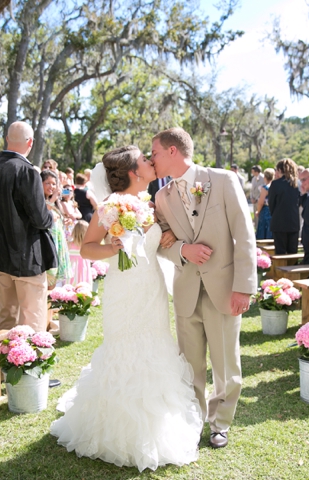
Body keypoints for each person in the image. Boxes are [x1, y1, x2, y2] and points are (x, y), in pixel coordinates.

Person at [50, 145, 202, 471]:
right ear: (134, 171)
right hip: (123, 291)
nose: (151, 161)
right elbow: (87, 249)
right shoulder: (111, 205)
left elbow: (158, 243)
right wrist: (111, 247)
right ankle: (116, 431)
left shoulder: (150, 204)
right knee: (124, 350)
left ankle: (158, 425)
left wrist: (171, 234)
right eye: (146, 160)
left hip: (152, 290)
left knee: (156, 347)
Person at [151, 127, 257, 449]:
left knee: (226, 367)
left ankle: (220, 423)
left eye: (154, 153)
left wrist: (244, 287)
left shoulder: (223, 180)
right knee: (190, 366)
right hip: (185, 292)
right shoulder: (161, 198)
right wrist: (183, 251)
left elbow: (244, 234)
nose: (151, 159)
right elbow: (161, 243)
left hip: (225, 289)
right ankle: (193, 422)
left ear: (172, 151)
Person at [0, 121, 56, 334]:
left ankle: (5, 365)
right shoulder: (27, 171)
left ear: (6, 139)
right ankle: (31, 363)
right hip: (27, 256)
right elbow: (40, 218)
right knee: (32, 315)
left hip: (1, 252)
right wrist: (52, 218)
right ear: (30, 142)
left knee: (6, 313)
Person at [41, 170, 72, 287]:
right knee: (47, 279)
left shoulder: (57, 202)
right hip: (47, 244)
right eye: (48, 183)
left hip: (58, 243)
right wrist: (53, 199)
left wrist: (65, 221)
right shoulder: (40, 201)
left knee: (54, 282)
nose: (51, 186)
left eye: (54, 184)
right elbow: (42, 215)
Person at [268, 158, 300, 255]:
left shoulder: (276, 184)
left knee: (280, 252)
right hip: (294, 222)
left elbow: (271, 204)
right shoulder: (298, 184)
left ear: (280, 170)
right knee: (293, 252)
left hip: (279, 222)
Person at [67, 220, 93, 287]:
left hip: (71, 269)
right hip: (83, 270)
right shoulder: (87, 246)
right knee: (83, 286)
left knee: (71, 285)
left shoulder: (69, 244)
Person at [255, 168, 274, 239]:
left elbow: (261, 202)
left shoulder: (265, 188)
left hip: (265, 210)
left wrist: (258, 211)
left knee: (263, 230)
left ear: (265, 177)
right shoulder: (274, 186)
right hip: (273, 211)